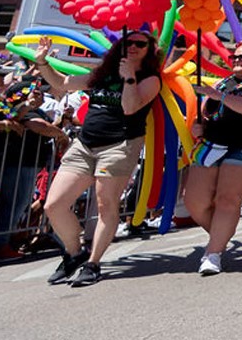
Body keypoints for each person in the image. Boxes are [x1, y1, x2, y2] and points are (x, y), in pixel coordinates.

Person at [33, 32, 162, 287]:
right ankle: (74, 252)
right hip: (85, 144)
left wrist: (129, 77)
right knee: (54, 205)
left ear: (150, 50)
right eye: (128, 42)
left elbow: (130, 107)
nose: (133, 47)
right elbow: (63, 82)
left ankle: (93, 263)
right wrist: (42, 62)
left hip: (120, 145)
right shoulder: (101, 74)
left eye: (140, 43)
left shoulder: (150, 80)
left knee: (106, 206)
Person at [183, 42, 242, 275]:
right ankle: (222, 234)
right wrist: (200, 126)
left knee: (228, 199)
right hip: (212, 143)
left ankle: (212, 254)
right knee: (193, 202)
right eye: (234, 56)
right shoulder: (222, 83)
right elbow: (206, 111)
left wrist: (220, 96)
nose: (237, 60)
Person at [0, 81, 69, 260]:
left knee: (18, 203)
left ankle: (5, 241)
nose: (40, 96)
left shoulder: (5, 105)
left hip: (26, 163)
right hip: (18, 162)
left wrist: (61, 123)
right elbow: (37, 125)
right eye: (35, 93)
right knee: (14, 204)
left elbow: (16, 118)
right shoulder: (20, 109)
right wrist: (61, 134)